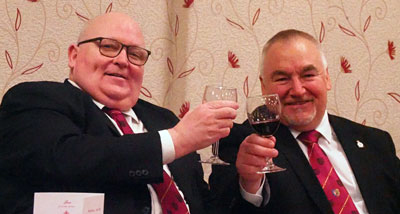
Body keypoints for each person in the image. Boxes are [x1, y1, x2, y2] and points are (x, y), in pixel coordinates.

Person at [0, 12, 239, 214]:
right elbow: (67, 160)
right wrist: (175, 141)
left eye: (135, 54)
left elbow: (203, 204)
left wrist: (248, 180)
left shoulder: (164, 119)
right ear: (74, 55)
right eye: (108, 46)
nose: (123, 60)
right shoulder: (35, 99)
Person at [209, 29, 400, 214]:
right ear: (264, 87)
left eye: (308, 75)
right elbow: (223, 205)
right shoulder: (244, 142)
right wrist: (249, 183)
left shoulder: (375, 141)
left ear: (327, 78)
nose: (298, 90)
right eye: (283, 79)